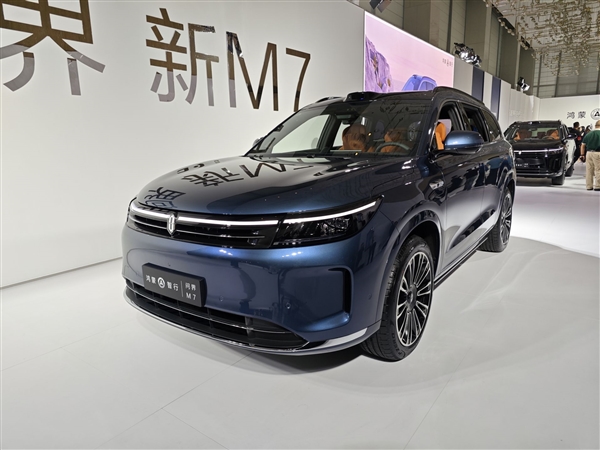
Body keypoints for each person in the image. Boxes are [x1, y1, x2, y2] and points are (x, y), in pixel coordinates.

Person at [580, 120, 600, 191]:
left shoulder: (588, 134)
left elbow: (582, 145)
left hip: (588, 153)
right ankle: (598, 186)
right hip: (598, 153)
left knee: (589, 170)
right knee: (598, 169)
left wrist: (582, 155)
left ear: (595, 126)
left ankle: (589, 186)